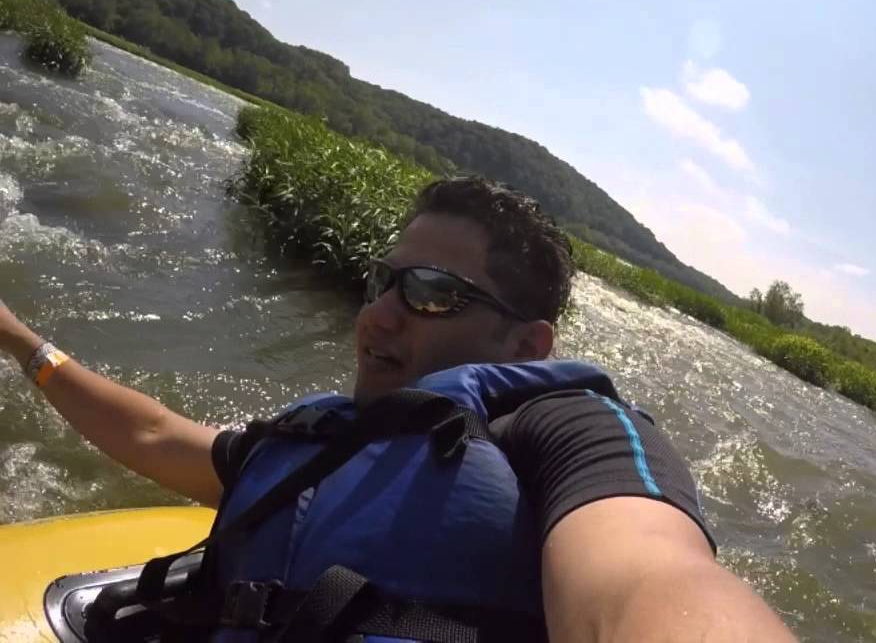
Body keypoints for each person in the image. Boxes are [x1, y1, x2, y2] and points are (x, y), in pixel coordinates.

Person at [0, 177, 796, 642]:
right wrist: (13, 335)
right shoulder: (318, 438)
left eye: (432, 296)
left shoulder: (564, 431)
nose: (378, 315)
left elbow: (646, 586)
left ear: (528, 344)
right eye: (384, 281)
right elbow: (154, 435)